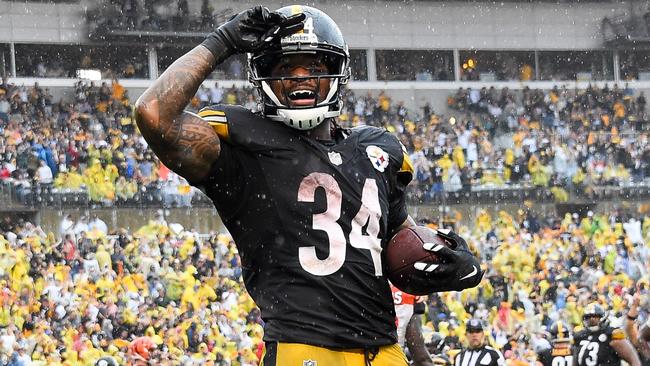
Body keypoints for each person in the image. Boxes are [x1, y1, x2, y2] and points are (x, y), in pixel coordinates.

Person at [135, 5, 482, 365]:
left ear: (335, 73)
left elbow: (396, 236)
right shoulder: (246, 144)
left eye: (314, 68)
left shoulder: (377, 149)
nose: (301, 78)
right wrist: (222, 41)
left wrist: (444, 256)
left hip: (383, 350)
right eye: (286, 68)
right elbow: (153, 114)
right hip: (302, 347)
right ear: (264, 75)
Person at [572, 303, 641, 366]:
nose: (592, 320)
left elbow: (634, 361)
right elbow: (575, 362)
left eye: (595, 316)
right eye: (588, 317)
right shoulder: (580, 336)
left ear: (602, 317)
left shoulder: (612, 335)